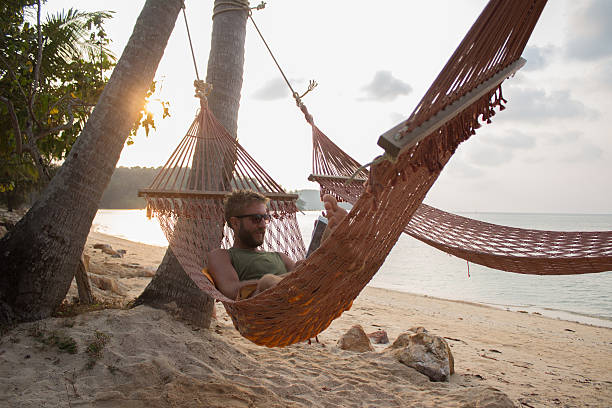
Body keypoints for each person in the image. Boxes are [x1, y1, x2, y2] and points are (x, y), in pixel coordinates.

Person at [207, 190, 347, 300]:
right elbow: (233, 290)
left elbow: (306, 280)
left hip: (300, 300)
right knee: (268, 281)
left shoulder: (279, 256)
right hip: (265, 307)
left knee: (301, 265)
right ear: (235, 223)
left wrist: (295, 274)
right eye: (256, 219)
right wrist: (276, 281)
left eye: (265, 218)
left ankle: (334, 240)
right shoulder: (221, 255)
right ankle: (331, 245)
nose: (263, 225)